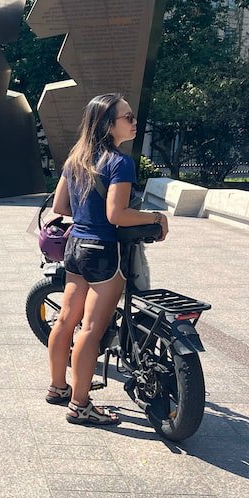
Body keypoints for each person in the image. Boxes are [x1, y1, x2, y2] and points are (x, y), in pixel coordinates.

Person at [45, 93, 168, 425]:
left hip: (75, 247)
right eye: (128, 118)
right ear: (108, 124)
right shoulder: (120, 162)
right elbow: (117, 215)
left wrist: (88, 212)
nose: (134, 122)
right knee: (91, 328)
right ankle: (81, 405)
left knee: (66, 320)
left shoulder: (76, 159)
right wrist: (156, 218)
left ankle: (58, 388)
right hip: (103, 252)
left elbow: (61, 207)